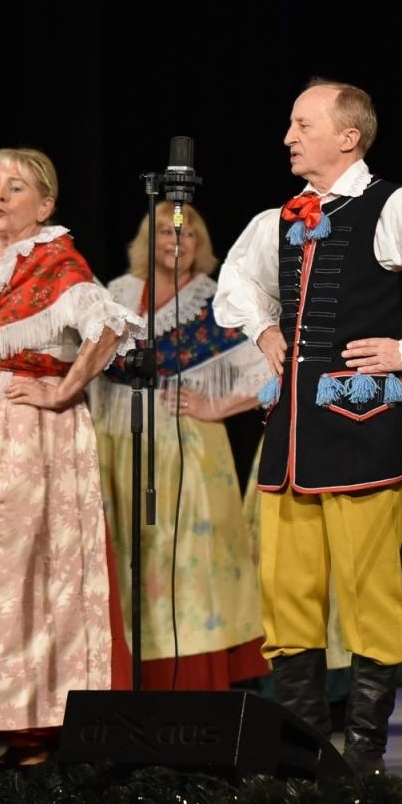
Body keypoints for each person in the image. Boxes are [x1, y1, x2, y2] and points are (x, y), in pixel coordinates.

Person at [214, 79, 402, 775]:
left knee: (370, 592)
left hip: (363, 428)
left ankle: (365, 758)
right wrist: (265, 330)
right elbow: (236, 282)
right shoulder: (280, 218)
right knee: (288, 595)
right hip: (291, 438)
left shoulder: (393, 206)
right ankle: (308, 760)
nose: (288, 137)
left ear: (348, 137)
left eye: (302, 124)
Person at [0, 147, 143, 767]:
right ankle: (10, 727)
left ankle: (42, 730)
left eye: (14, 187)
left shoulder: (56, 262)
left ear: (44, 206)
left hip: (32, 441)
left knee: (31, 580)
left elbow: (109, 327)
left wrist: (63, 390)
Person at [90, 201, 270, 690]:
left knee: (187, 555)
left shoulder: (216, 302)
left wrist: (217, 406)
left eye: (187, 234)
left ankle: (192, 673)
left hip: (187, 448)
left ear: (200, 244)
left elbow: (271, 370)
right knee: (131, 552)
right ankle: (129, 669)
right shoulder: (117, 294)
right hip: (119, 443)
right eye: (167, 232)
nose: (177, 241)